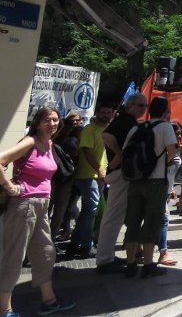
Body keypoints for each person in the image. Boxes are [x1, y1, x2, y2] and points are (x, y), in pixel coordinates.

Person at [0, 105, 75, 316]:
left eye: (55, 120)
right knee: (14, 257)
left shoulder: (49, 143)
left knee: (46, 254)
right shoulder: (30, 141)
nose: (52, 124)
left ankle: (49, 300)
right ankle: (5, 309)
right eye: (47, 120)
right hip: (24, 205)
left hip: (42, 206)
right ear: (37, 122)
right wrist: (10, 187)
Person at [120, 96, 178, 278]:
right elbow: (172, 152)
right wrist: (160, 165)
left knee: (133, 221)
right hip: (156, 181)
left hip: (135, 181)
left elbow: (125, 152)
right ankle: (147, 264)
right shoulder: (165, 126)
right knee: (152, 222)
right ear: (165, 112)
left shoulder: (137, 127)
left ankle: (130, 264)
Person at [96, 93, 148, 274]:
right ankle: (104, 260)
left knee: (116, 216)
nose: (143, 109)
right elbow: (107, 135)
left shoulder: (128, 120)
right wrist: (119, 154)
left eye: (145, 106)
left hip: (121, 172)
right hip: (120, 173)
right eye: (140, 105)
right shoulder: (125, 120)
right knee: (113, 216)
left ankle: (106, 256)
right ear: (130, 105)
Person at [67, 101, 113, 258]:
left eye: (109, 112)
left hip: (101, 177)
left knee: (88, 212)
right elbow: (86, 150)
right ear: (97, 113)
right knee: (92, 210)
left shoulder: (107, 130)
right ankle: (87, 244)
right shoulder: (89, 129)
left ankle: (75, 244)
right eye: (103, 112)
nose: (106, 115)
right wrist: (99, 169)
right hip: (88, 175)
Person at [49, 112, 82, 244]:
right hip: (60, 178)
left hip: (64, 179)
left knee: (59, 210)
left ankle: (50, 238)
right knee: (59, 211)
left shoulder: (69, 139)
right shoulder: (56, 140)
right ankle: (50, 238)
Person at [156, 121, 182, 267]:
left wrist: (172, 188)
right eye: (175, 133)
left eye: (179, 132)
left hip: (166, 189)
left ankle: (137, 248)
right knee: (163, 220)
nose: (178, 135)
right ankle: (163, 253)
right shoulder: (166, 150)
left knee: (156, 220)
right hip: (158, 189)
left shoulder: (175, 149)